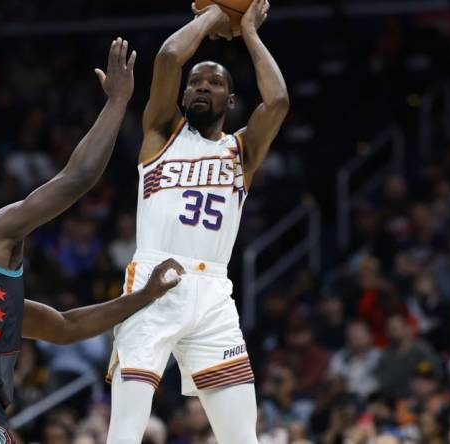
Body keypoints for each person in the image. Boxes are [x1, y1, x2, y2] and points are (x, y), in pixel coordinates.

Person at [0, 38, 186, 444]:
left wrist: (145, 296)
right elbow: (76, 179)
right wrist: (118, 102)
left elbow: (67, 327)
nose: (1, 216)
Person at [105, 1, 289, 443]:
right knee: (125, 432)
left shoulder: (241, 151)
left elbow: (278, 100)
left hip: (213, 297)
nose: (202, 87)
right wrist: (213, 14)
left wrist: (247, 31)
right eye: (195, 83)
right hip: (153, 284)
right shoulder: (160, 134)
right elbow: (169, 57)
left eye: (215, 82)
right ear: (184, 96)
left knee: (242, 437)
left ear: (230, 99)